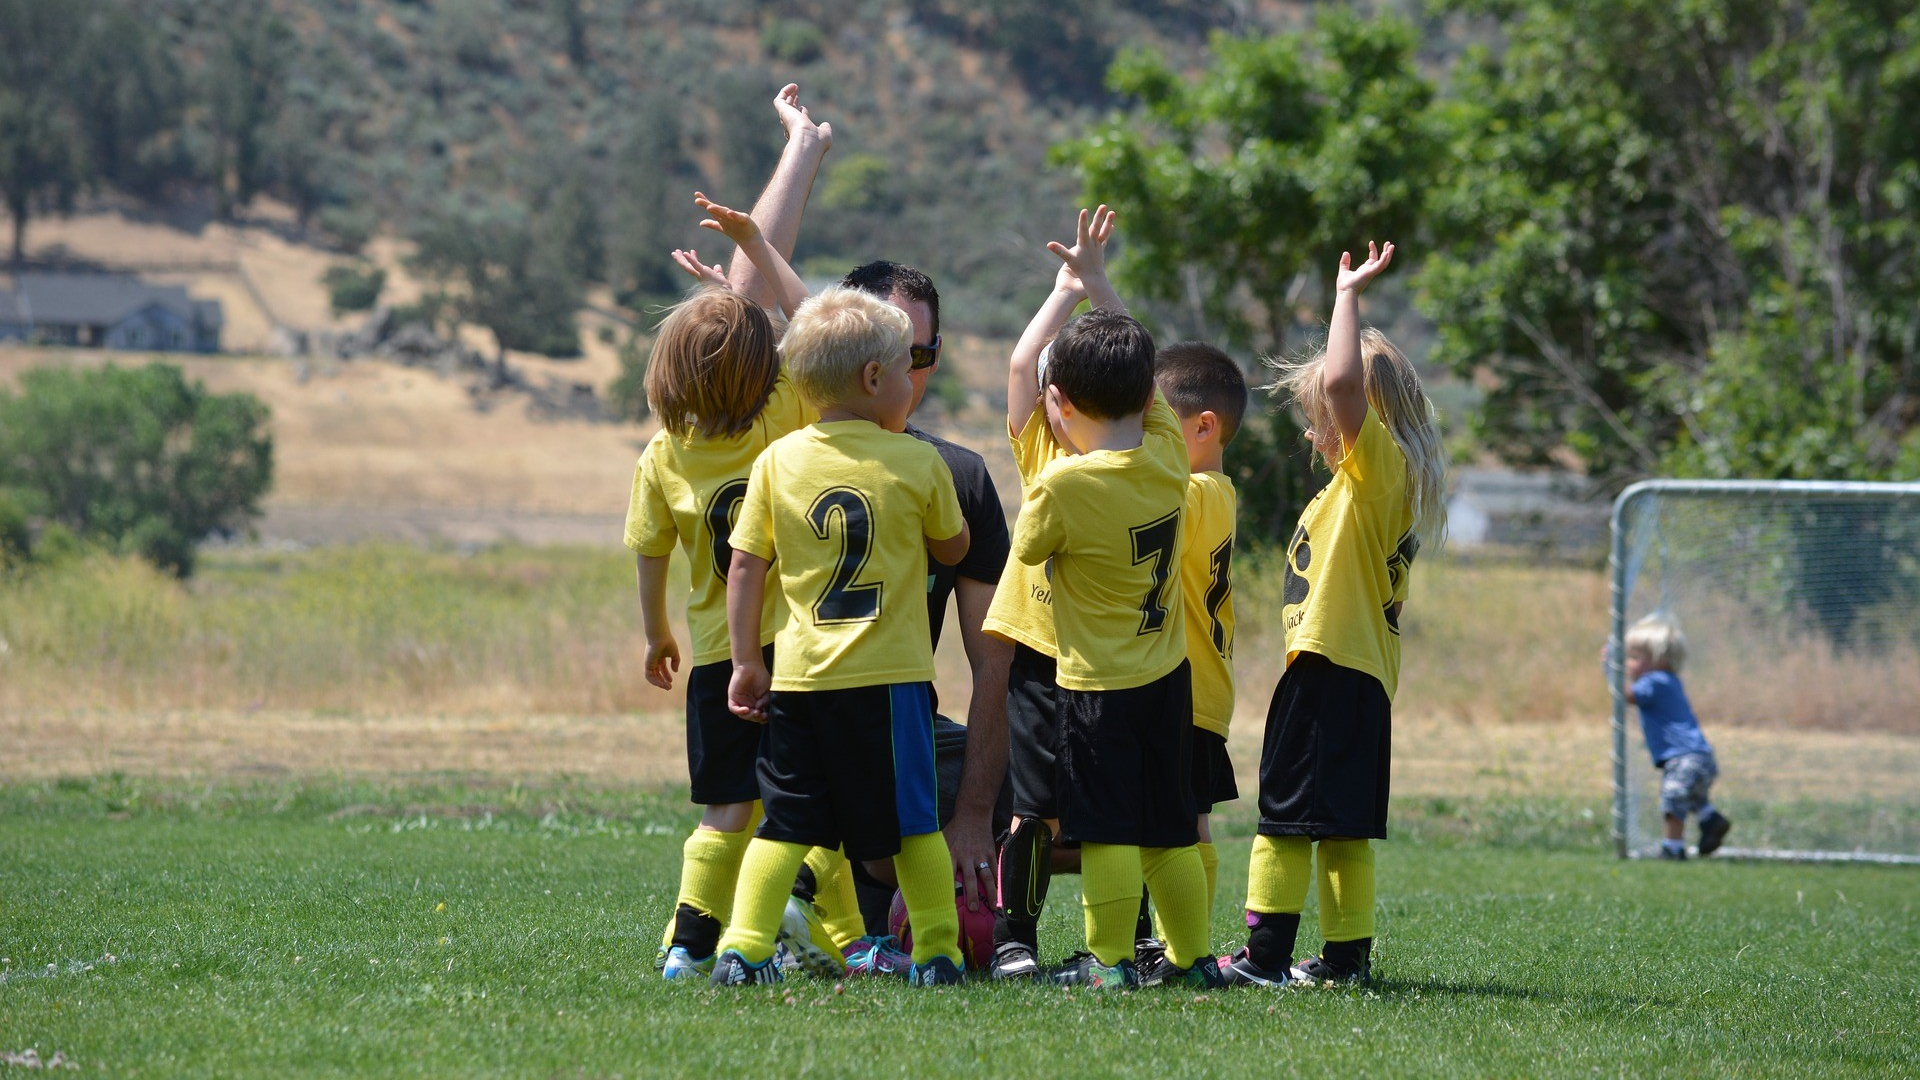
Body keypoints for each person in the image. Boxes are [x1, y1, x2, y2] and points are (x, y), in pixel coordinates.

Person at [709, 286, 972, 987]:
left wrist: (744, 663)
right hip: (889, 683)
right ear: (875, 379)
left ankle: (743, 949)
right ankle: (939, 951)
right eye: (907, 363)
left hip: (801, 681)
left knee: (786, 825)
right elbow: (955, 549)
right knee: (914, 823)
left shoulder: (778, 462)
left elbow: (744, 566)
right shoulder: (917, 462)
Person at [1001, 206, 1222, 990]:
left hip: (1097, 689)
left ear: (1058, 403)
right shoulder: (1168, 456)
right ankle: (1194, 962)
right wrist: (1099, 285)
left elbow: (1027, 551)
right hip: (1168, 681)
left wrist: (1058, 435)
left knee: (1105, 833)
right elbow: (1141, 371)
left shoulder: (1061, 483)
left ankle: (1106, 964)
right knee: (1167, 828)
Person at [1221, 241, 1449, 987]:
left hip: (1328, 672)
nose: (1316, 430)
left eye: (1321, 415)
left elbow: (1348, 381)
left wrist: (1345, 295)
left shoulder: (1375, 469)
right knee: (1344, 829)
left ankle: (1261, 961)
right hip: (1358, 680)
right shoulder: (1360, 488)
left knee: (1282, 823)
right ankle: (1346, 964)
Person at [624, 192, 819, 980]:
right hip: (796, 648)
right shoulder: (784, 414)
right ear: (765, 371)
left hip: (714, 656)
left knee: (725, 805)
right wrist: (763, 253)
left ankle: (687, 945)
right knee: (804, 801)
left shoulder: (663, 454)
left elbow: (649, 552)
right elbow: (819, 328)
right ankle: (770, 932)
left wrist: (654, 633)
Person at [1133, 342, 1249, 981]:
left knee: (1184, 825)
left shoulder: (1200, 493)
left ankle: (1189, 951)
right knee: (1184, 818)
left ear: (1202, 428)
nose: (1143, 435)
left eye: (1154, 423)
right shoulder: (1213, 490)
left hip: (1188, 689)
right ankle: (1185, 947)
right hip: (1199, 688)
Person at [1623, 614, 1731, 859]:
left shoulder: (1654, 681)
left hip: (1684, 758)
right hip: (1700, 755)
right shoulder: (1670, 681)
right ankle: (1711, 820)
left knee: (1673, 798)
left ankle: (1673, 848)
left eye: (1634, 658)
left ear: (1659, 660)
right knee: (1692, 797)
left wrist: (1610, 671)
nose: (1628, 664)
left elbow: (1628, 697)